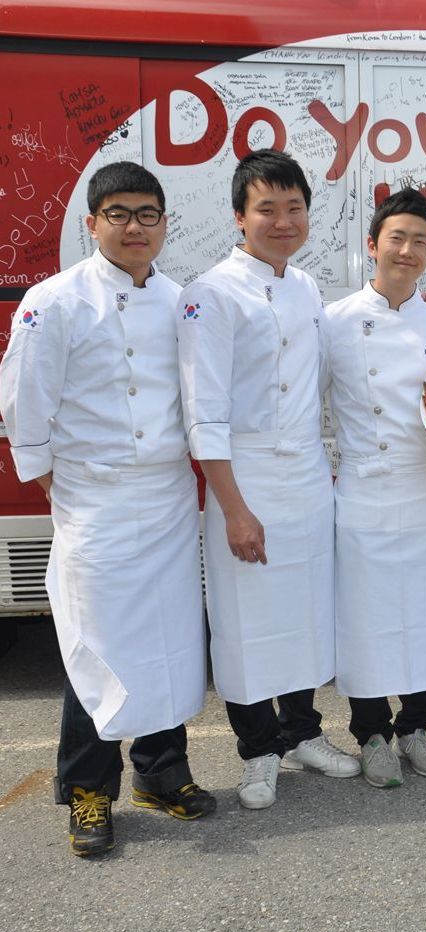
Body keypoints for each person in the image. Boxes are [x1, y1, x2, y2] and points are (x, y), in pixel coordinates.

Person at [0, 161, 214, 856]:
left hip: (168, 500)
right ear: (92, 223)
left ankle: (162, 771)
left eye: (146, 214)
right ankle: (88, 790)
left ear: (163, 225)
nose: (133, 226)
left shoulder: (182, 301)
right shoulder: (54, 301)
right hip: (95, 501)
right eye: (117, 213)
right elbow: (25, 407)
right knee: (97, 646)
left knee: (172, 642)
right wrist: (61, 491)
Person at [178, 149, 359, 809]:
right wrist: (232, 507)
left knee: (306, 612)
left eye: (295, 208)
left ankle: (302, 732)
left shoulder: (307, 287)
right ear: (239, 216)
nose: (283, 221)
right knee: (247, 619)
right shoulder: (211, 293)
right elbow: (204, 412)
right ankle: (257, 749)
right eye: (267, 209)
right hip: (245, 474)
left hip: (307, 474)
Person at [322, 188, 426, 786]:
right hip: (361, 487)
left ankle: (417, 726)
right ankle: (372, 734)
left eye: (421, 242)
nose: (408, 250)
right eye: (397, 238)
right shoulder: (332, 322)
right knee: (368, 620)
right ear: (373, 244)